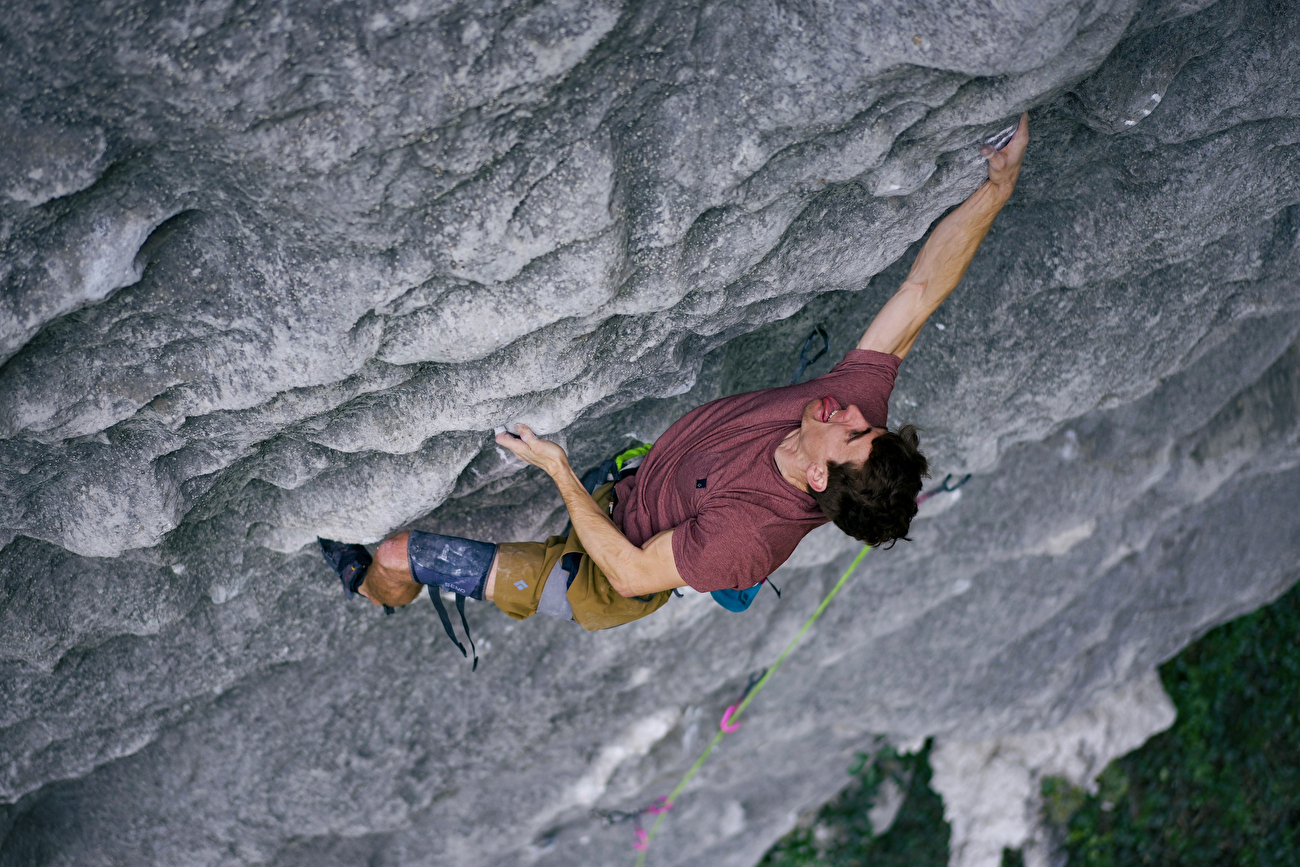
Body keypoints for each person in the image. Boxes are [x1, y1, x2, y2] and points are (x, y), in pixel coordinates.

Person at [319, 115, 1029, 640]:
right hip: (629, 488)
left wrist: (557, 469)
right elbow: (919, 295)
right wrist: (997, 191)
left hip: (599, 580)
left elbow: (629, 572)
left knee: (396, 556)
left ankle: (373, 590)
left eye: (850, 431)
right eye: (863, 421)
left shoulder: (747, 537)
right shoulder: (850, 411)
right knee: (568, 516)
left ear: (819, 476)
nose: (849, 410)